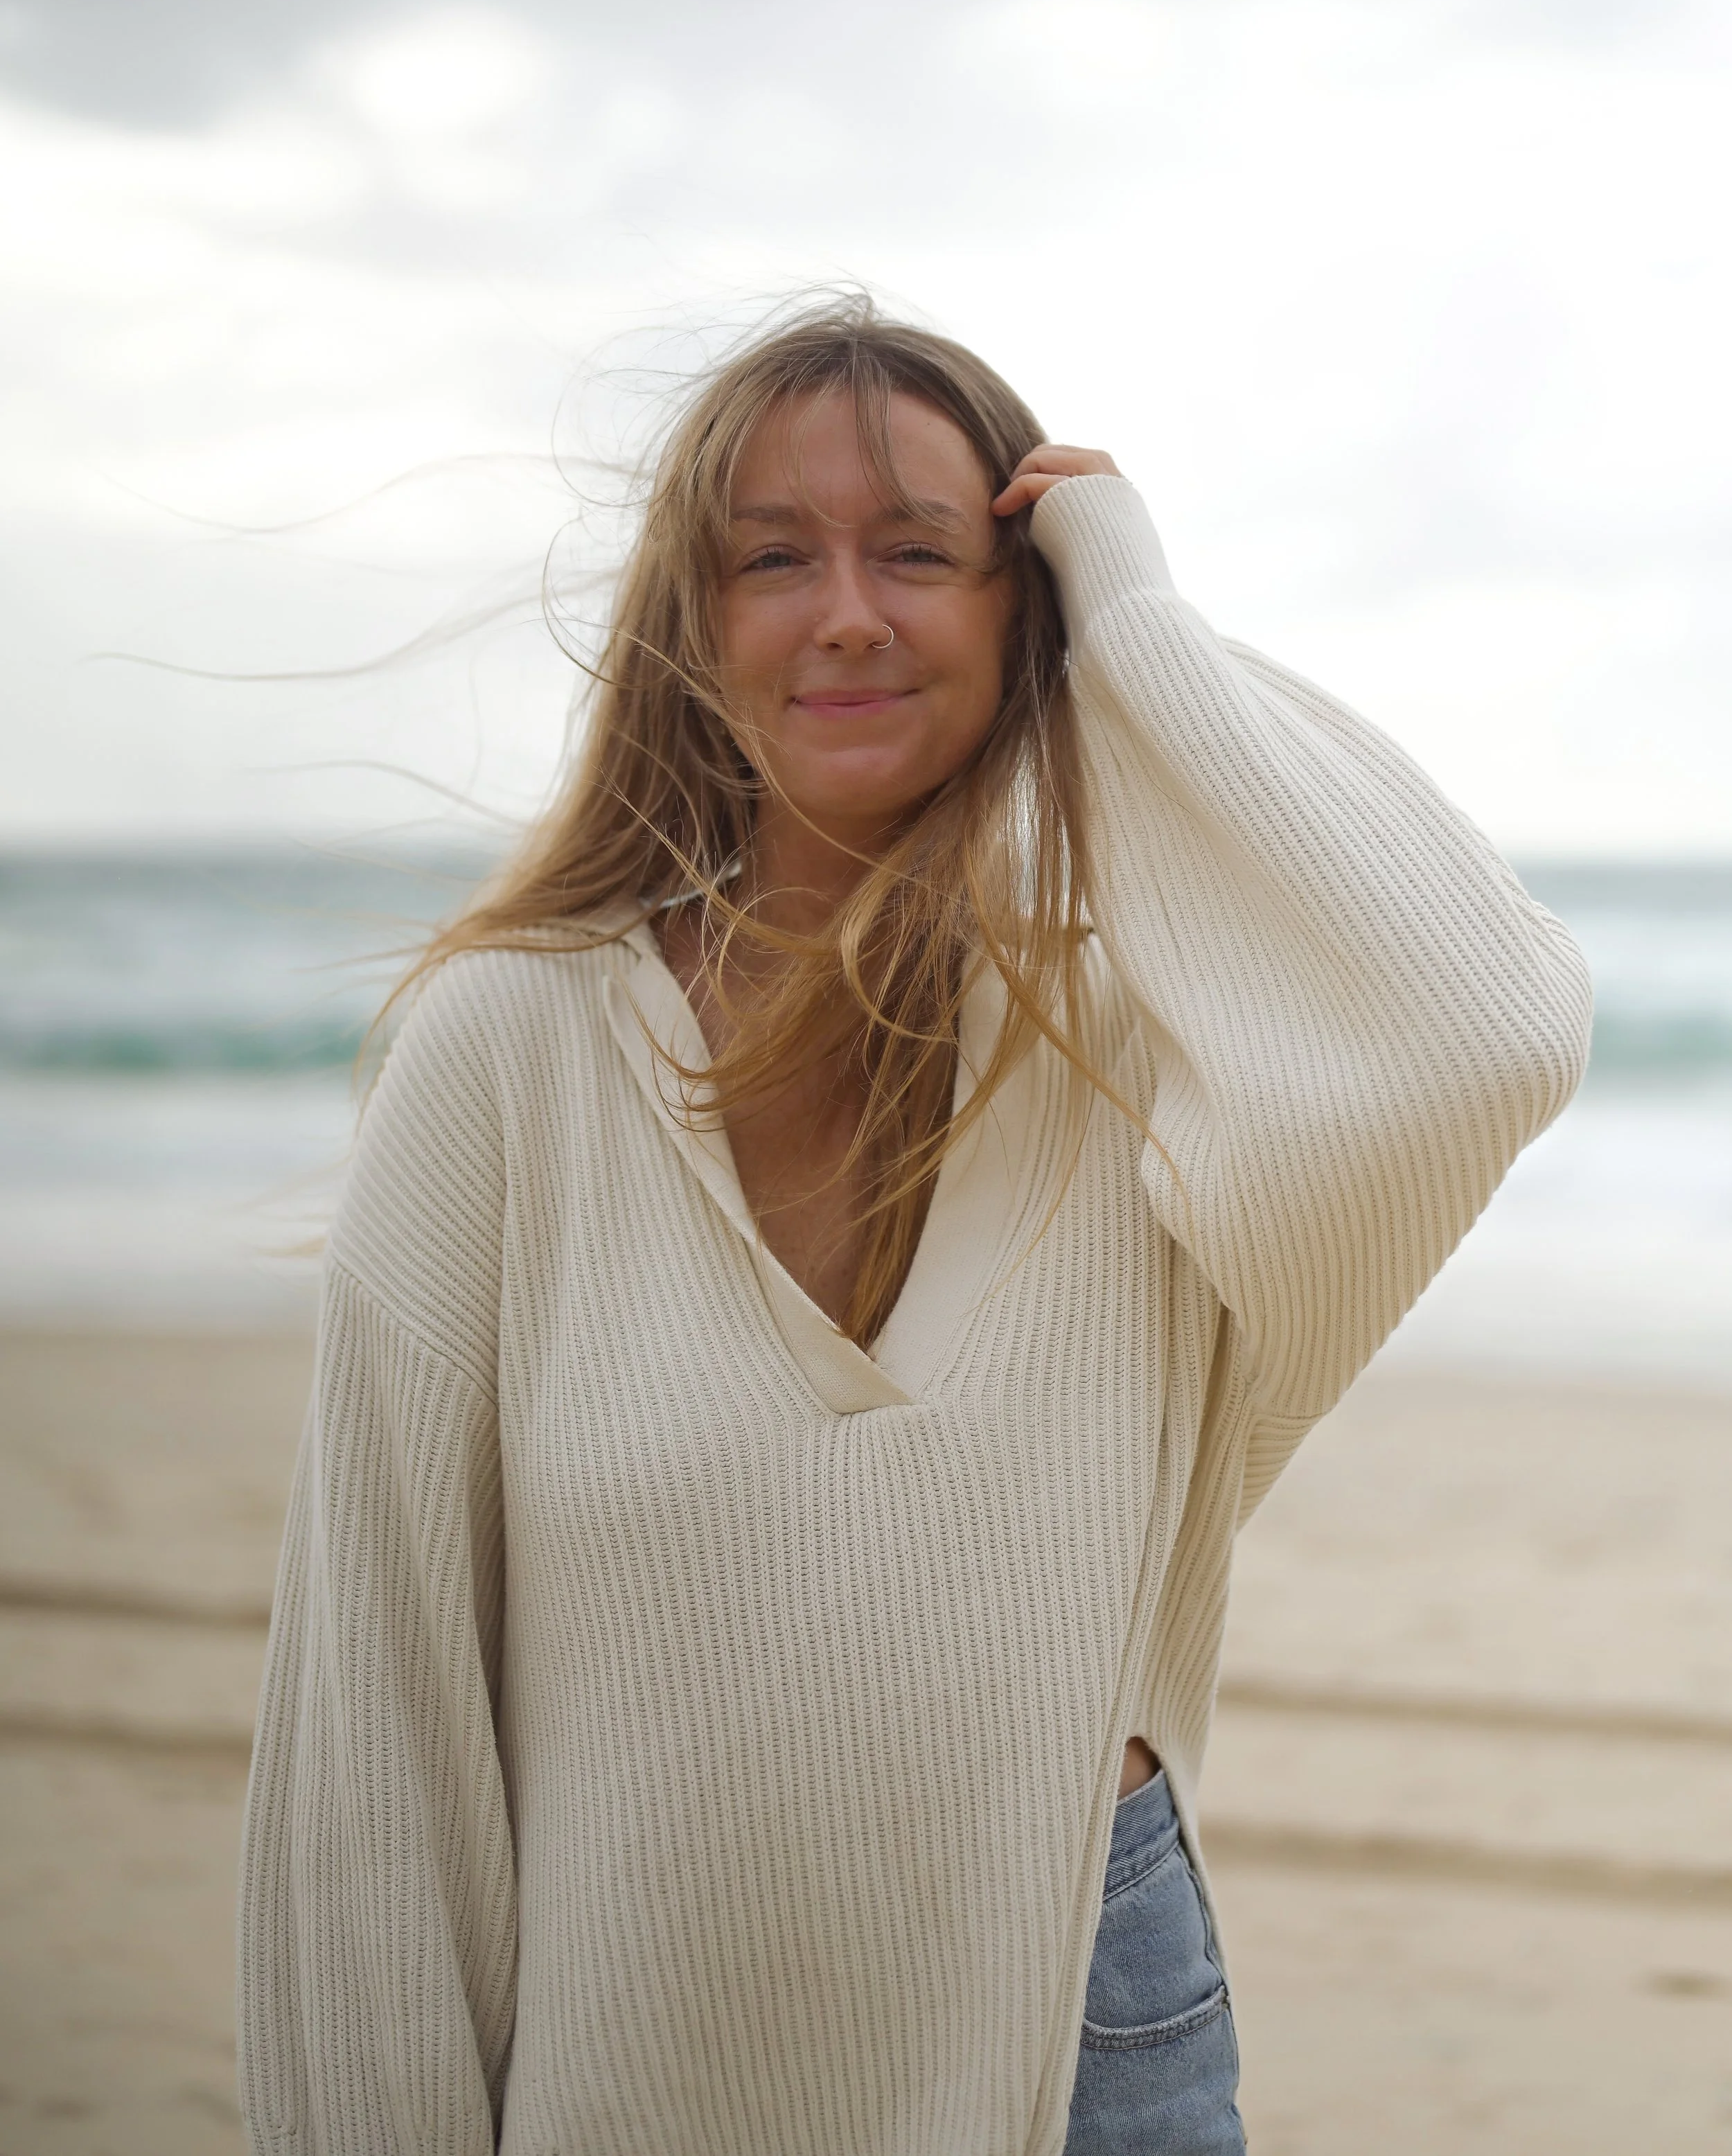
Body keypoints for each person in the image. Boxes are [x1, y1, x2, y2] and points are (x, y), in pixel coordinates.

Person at [237, 302, 1592, 2156]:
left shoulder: (1142, 1063)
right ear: (690, 628)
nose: (849, 612)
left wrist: (1131, 612)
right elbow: (374, 1735)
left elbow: (1484, 1023)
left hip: (1083, 2047)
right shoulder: (509, 1053)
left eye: (921, 552)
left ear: (1013, 604)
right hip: (636, 2076)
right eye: (773, 557)